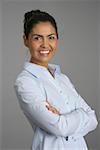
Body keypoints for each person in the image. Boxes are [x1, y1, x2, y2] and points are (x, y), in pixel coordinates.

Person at [14, 10, 98, 150]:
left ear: (57, 39)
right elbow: (59, 128)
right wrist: (81, 116)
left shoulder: (62, 78)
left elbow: (93, 119)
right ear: (25, 40)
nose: (45, 45)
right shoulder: (25, 82)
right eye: (37, 38)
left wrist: (64, 119)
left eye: (51, 37)